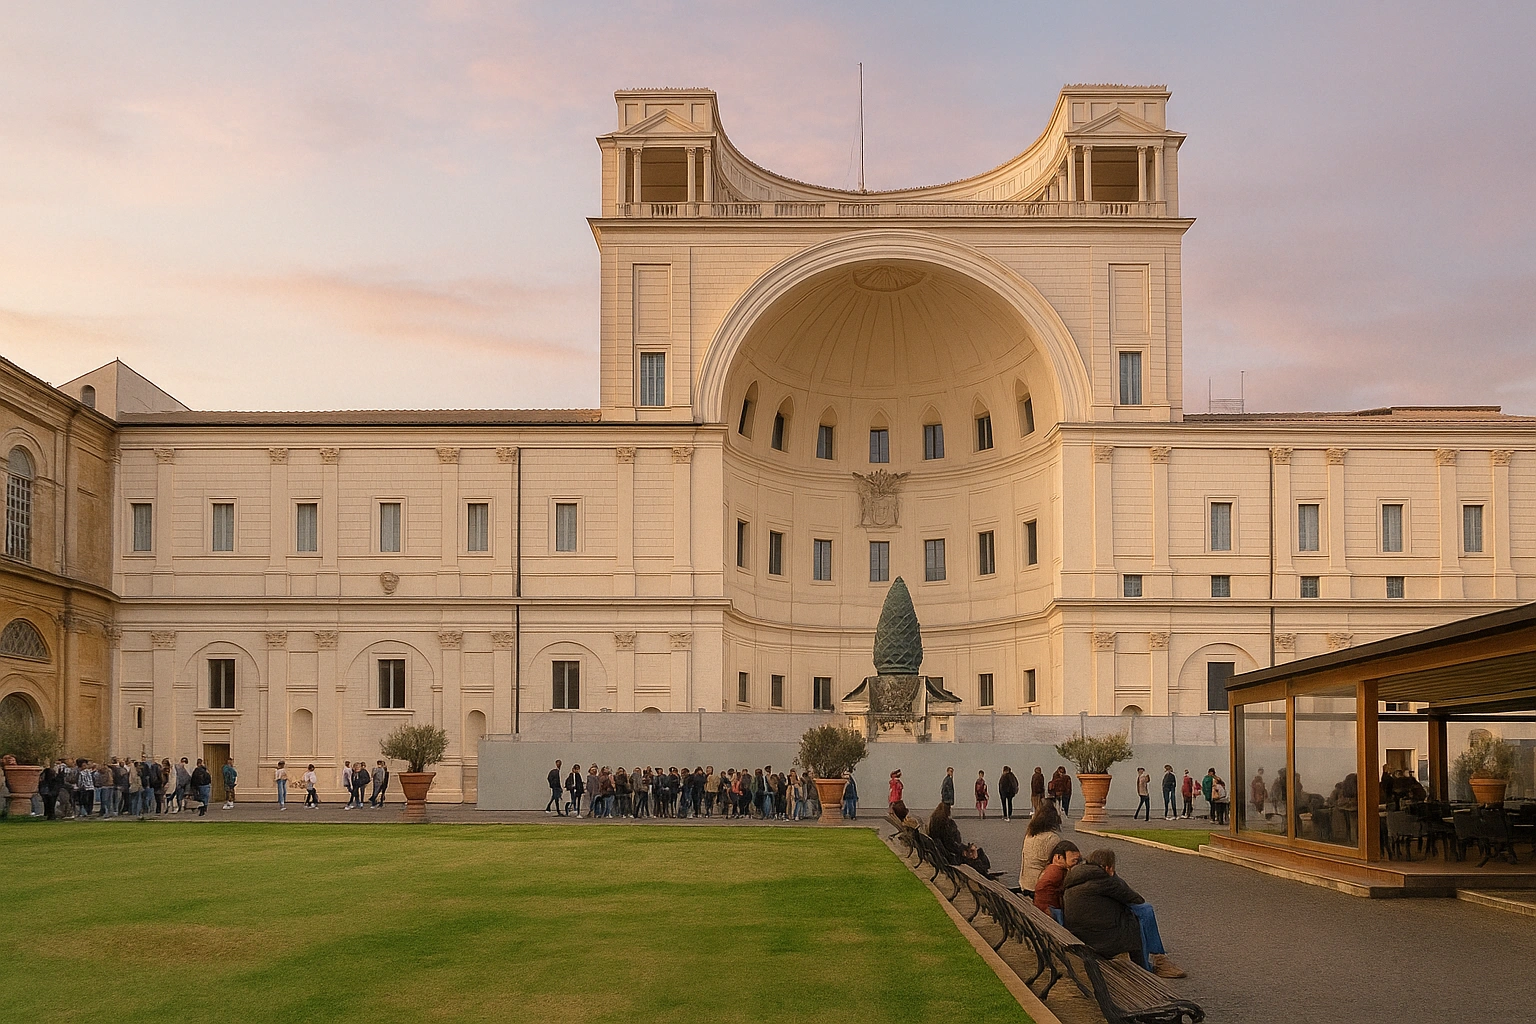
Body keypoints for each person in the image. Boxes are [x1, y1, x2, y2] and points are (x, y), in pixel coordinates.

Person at [1062, 848, 1185, 978]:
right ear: (1108, 867)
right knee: (1144, 911)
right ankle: (1156, 961)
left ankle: (1156, 960)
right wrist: (1112, 876)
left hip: (1081, 933)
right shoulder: (1103, 880)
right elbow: (1135, 898)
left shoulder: (1078, 877)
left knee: (1139, 912)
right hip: (1101, 938)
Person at [927, 802, 991, 874]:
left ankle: (983, 870)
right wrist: (966, 849)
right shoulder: (946, 825)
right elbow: (951, 845)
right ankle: (984, 872)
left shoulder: (935, 824)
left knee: (976, 852)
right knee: (979, 853)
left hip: (945, 853)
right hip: (952, 856)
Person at [1018, 798, 1064, 892]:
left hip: (1024, 882)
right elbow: (1058, 863)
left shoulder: (1029, 835)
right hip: (1039, 886)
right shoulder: (1052, 838)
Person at [1032, 840, 1082, 921]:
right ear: (1058, 857)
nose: (1075, 863)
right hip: (1051, 911)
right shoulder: (1056, 871)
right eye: (1073, 860)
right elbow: (1042, 887)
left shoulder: (1050, 869)